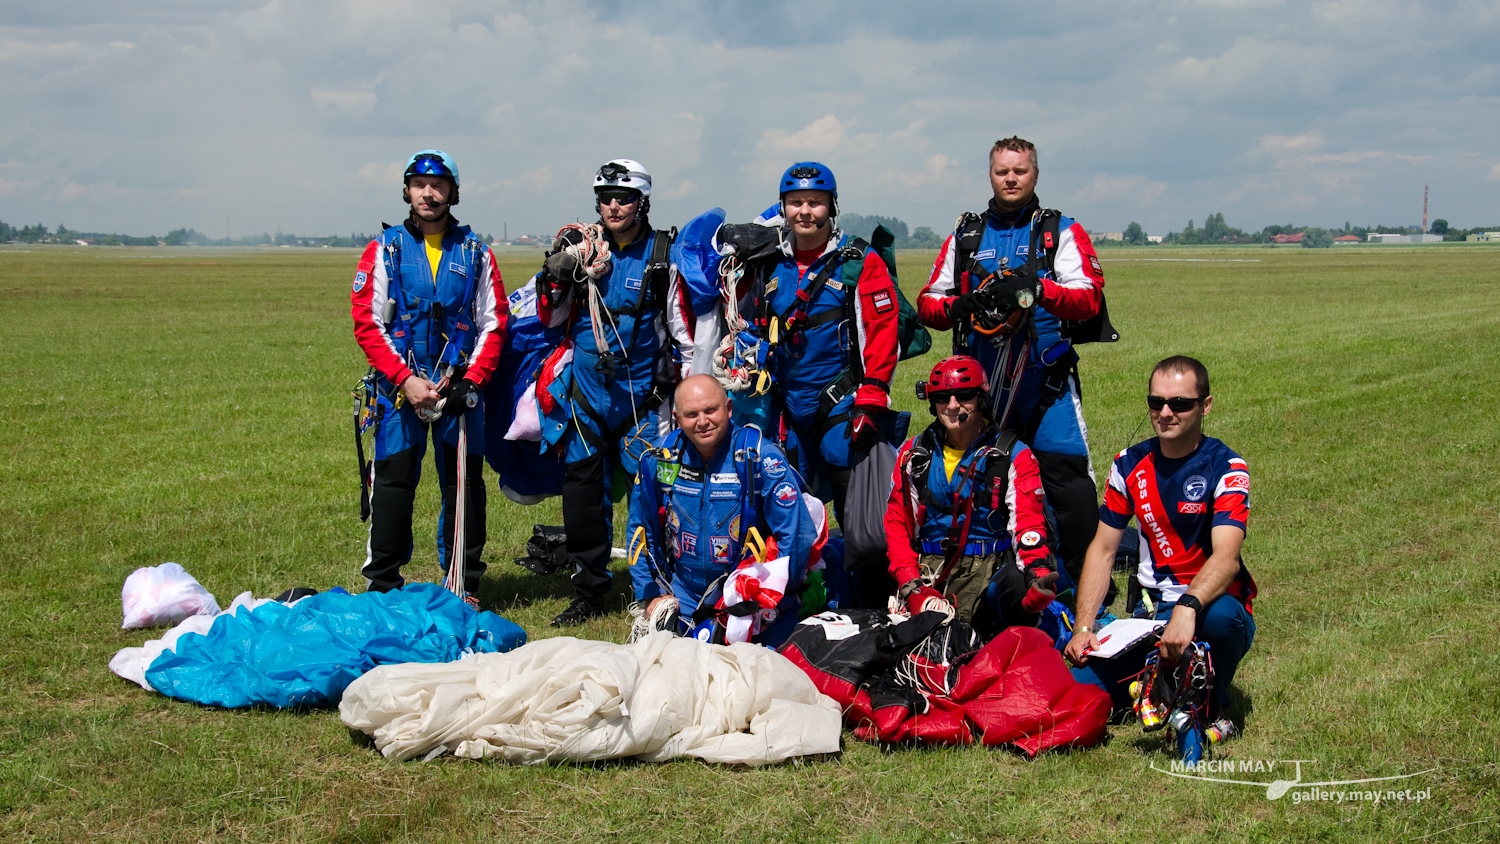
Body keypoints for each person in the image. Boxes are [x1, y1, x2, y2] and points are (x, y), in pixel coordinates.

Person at [917, 136, 1113, 597]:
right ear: (991, 174)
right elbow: (927, 304)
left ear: (1035, 175)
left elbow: (1089, 300)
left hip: (1045, 386)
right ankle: (990, 581)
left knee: (1069, 487)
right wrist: (960, 306)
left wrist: (1038, 290)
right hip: (981, 392)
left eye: (1020, 171)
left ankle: (1082, 589)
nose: (1011, 178)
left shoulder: (1059, 231)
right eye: (1002, 171)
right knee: (983, 483)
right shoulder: (966, 236)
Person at [719, 162, 901, 606]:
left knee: (858, 515)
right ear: (783, 207)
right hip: (785, 407)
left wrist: (873, 395)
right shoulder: (768, 263)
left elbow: (882, 330)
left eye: (815, 203)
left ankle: (873, 605)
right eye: (796, 202)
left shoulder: (860, 263)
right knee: (787, 510)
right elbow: (757, 322)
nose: (805, 212)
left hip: (842, 405)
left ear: (831, 207)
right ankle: (796, 601)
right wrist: (747, 353)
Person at [1064, 356, 1257, 741]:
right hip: (1150, 617)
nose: (1165, 412)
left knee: (1223, 620)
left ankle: (1210, 703)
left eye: (1180, 404)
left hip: (1207, 609)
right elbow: (1103, 551)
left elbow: (1227, 558)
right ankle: (1161, 684)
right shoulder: (1128, 464)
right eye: (1157, 403)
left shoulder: (1227, 467)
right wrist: (1085, 625)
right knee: (1078, 690)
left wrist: (1187, 608)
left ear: (1205, 406)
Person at [536, 159, 694, 626]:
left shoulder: (663, 257)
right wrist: (556, 276)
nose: (613, 206)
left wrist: (682, 389)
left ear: (642, 201)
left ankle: (655, 588)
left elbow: (683, 332)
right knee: (582, 502)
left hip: (644, 404)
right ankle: (589, 591)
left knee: (655, 499)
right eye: (605, 198)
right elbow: (549, 319)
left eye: (623, 198)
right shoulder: (581, 250)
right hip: (586, 400)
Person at [350, 149, 507, 597]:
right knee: (395, 483)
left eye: (438, 185)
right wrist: (404, 381)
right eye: (419, 184)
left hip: (459, 392)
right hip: (400, 393)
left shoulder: (477, 253)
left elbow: (494, 322)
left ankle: (462, 583)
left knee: (465, 487)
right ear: (406, 191)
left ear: (454, 193)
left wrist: (471, 382)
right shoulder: (385, 250)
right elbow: (368, 323)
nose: (428, 193)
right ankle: (383, 585)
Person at [626, 375, 816, 646]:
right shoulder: (665, 457)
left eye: (710, 410)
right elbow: (640, 528)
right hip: (683, 596)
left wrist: (777, 595)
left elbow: (795, 534)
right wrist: (649, 594)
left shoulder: (761, 457)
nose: (702, 422)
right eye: (691, 414)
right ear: (677, 419)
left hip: (748, 598)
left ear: (728, 408)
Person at [883, 356, 1058, 637]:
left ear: (981, 399)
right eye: (942, 397)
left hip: (992, 572)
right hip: (929, 572)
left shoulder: (1014, 455)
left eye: (963, 396)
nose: (952, 406)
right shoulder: (913, 454)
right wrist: (911, 586)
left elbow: (1029, 525)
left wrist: (1037, 577)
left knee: (1016, 583)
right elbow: (897, 528)